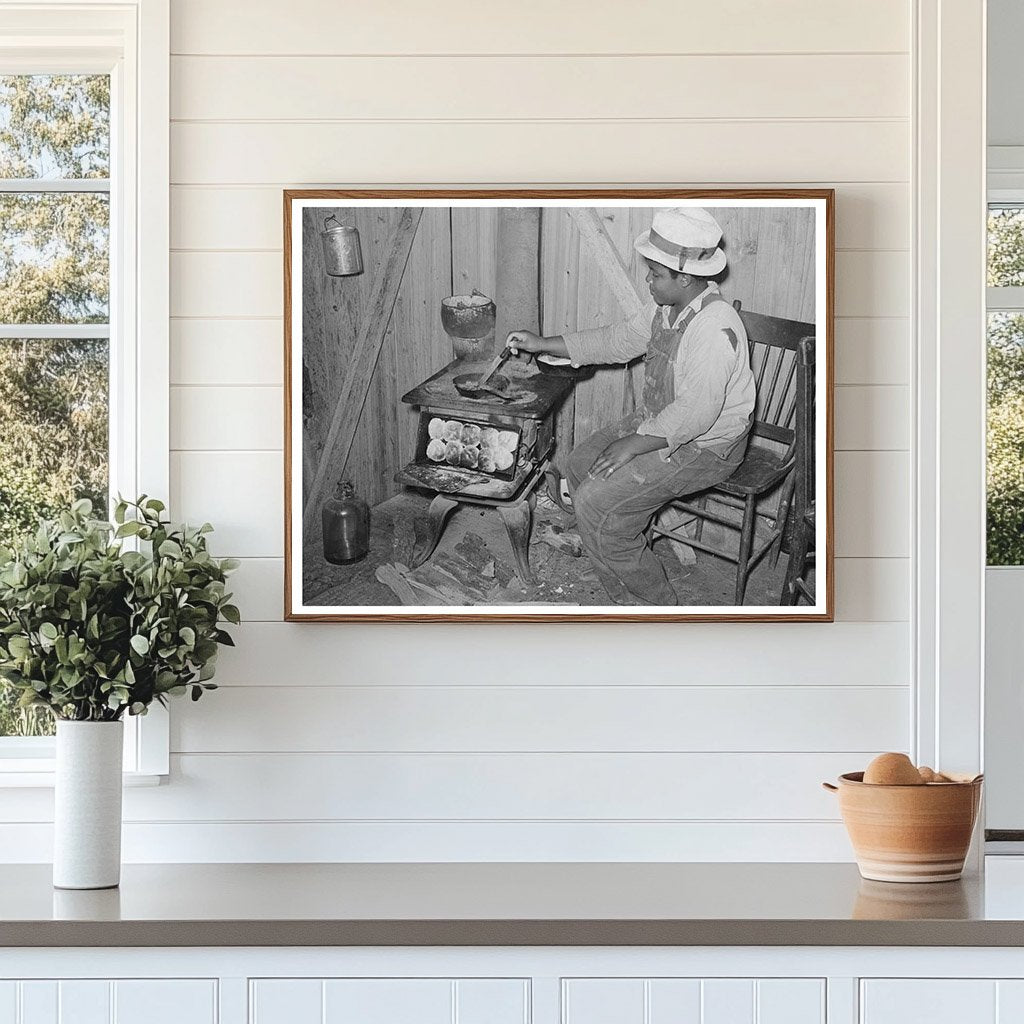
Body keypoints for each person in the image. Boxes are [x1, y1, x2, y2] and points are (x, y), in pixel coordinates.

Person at [506, 207, 755, 606]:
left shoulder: (714, 327)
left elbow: (697, 412)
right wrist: (542, 343)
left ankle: (656, 604)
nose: (648, 280)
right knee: (579, 464)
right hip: (661, 421)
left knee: (595, 501)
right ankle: (608, 551)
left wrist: (633, 444)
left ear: (684, 277)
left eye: (655, 274)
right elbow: (618, 340)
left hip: (707, 446)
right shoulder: (667, 309)